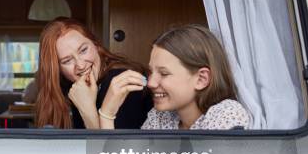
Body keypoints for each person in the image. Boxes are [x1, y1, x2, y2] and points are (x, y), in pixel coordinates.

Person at [117, 25, 249, 130]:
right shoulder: (160, 117)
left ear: (201, 79)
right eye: (151, 72)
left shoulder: (226, 114)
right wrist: (108, 114)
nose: (151, 83)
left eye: (164, 73)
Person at [35, 18, 153, 129]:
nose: (80, 65)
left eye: (83, 50)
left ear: (96, 45)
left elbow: (110, 150)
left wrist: (87, 110)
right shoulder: (76, 88)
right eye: (67, 61)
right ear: (57, 69)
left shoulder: (119, 79)